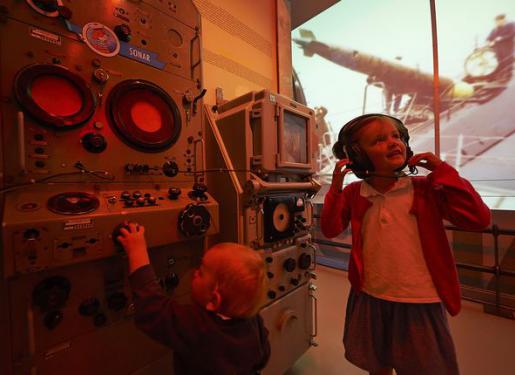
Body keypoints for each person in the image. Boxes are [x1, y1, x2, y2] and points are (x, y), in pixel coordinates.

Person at [321, 114, 490, 375]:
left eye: (397, 136)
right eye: (379, 140)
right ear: (357, 155)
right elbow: (330, 228)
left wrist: (444, 171)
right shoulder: (355, 193)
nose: (393, 142)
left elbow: (478, 218)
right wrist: (336, 188)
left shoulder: (425, 188)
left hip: (419, 301)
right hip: (370, 296)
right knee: (377, 365)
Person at [117, 223, 271, 374]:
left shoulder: (197, 327)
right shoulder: (252, 320)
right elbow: (263, 357)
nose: (195, 272)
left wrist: (136, 250)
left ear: (214, 300)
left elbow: (152, 309)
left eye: (202, 271)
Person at [486, 14, 515, 80]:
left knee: (507, 60)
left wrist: (500, 38)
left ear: (503, 20)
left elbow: (512, 34)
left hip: (507, 46)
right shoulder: (495, 29)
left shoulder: (511, 25)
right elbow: (489, 37)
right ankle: (499, 75)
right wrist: (488, 42)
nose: (496, 23)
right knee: (499, 61)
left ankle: (508, 75)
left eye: (498, 21)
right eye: (496, 21)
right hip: (497, 48)